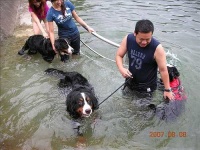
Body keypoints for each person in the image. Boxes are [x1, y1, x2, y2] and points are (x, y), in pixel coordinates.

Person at [115, 19, 173, 101]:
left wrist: (167, 90)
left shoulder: (157, 49)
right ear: (135, 33)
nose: (144, 42)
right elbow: (119, 55)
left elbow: (163, 70)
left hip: (146, 87)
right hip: (130, 81)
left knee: (141, 112)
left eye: (148, 39)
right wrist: (121, 69)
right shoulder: (128, 39)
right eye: (141, 39)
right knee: (125, 102)